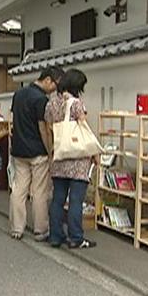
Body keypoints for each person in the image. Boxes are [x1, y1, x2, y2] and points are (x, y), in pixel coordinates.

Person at [46, 68, 98, 249]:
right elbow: (84, 129)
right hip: (77, 159)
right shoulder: (76, 104)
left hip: (59, 156)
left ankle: (55, 236)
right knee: (76, 200)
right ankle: (76, 237)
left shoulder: (52, 103)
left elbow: (49, 126)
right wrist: (95, 153)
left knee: (58, 199)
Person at [9, 67, 59, 241]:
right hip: (37, 152)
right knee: (39, 192)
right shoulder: (41, 100)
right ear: (47, 80)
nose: (54, 89)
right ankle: (40, 230)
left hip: (19, 150)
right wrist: (49, 150)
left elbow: (13, 121)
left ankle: (17, 228)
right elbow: (43, 128)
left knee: (19, 189)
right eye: (54, 85)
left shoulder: (19, 94)